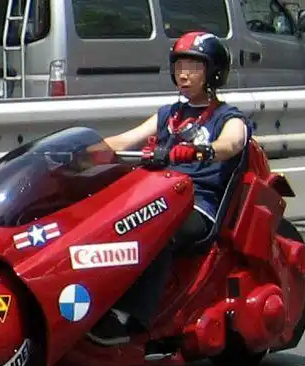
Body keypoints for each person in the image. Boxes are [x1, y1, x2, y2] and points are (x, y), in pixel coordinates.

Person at [85, 31, 254, 346]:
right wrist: (84, 153)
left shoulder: (227, 117)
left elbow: (232, 143)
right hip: (157, 196)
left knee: (154, 227)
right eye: (179, 66)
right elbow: (126, 139)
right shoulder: (169, 114)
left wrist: (201, 151)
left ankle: (131, 318)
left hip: (197, 206)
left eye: (194, 67)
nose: (184, 74)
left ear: (213, 72)